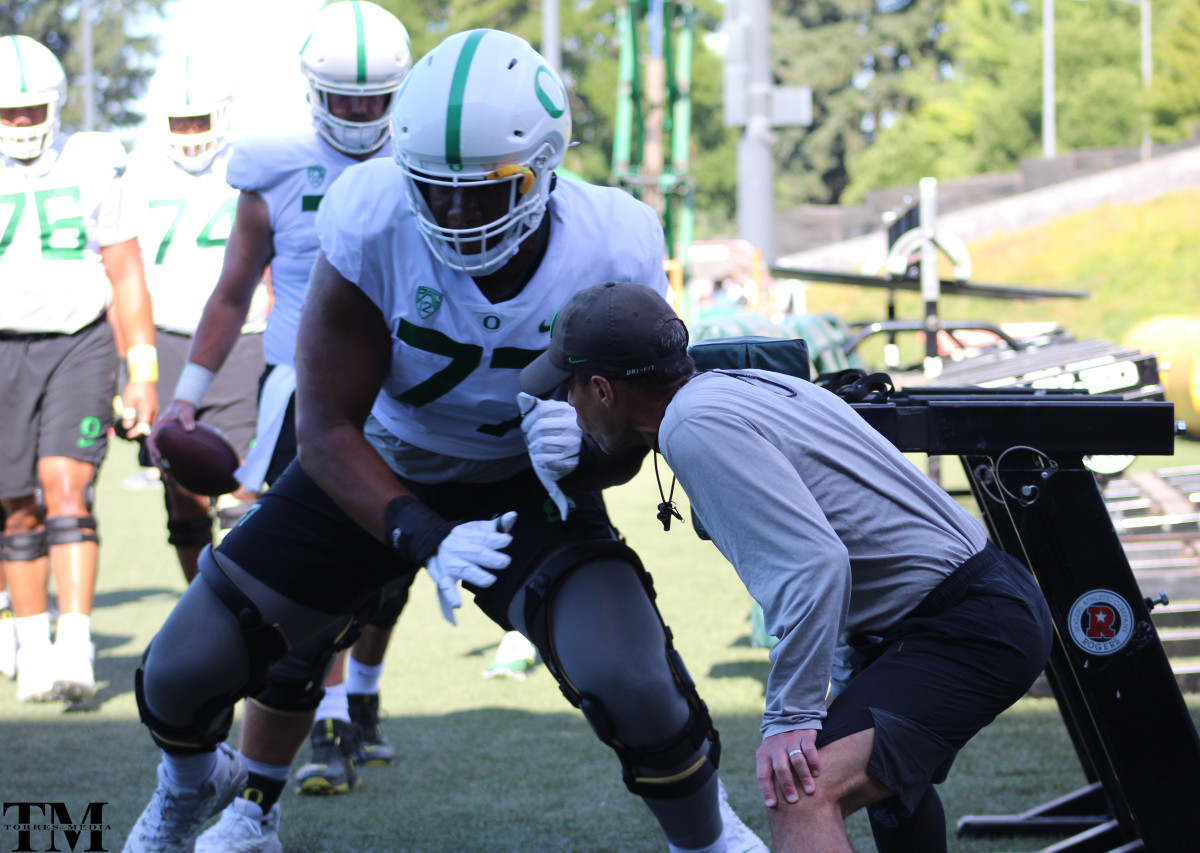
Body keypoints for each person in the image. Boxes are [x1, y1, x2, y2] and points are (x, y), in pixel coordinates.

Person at [125, 28, 766, 853]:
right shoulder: (370, 212)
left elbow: (632, 436)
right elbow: (324, 428)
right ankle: (190, 788)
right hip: (381, 462)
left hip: (522, 481)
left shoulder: (615, 240)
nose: (456, 213)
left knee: (630, 678)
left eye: (485, 190)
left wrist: (589, 449)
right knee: (180, 669)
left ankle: (707, 838)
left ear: (544, 168)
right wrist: (423, 532)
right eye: (434, 188)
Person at [519, 280, 1057, 853]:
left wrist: (790, 717)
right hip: (971, 606)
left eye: (569, 388)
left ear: (602, 389)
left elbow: (815, 564)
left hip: (968, 626)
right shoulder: (737, 386)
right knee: (887, 784)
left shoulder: (692, 426)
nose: (568, 406)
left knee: (798, 790)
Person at [140, 3, 412, 849]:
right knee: (298, 597)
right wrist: (185, 394)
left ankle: (346, 701)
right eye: (348, 101)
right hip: (306, 395)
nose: (364, 117)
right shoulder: (274, 164)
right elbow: (232, 290)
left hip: (413, 398)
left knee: (384, 579)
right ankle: (264, 785)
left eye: (379, 102)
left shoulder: (433, 154)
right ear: (313, 92)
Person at [0, 33, 158, 705]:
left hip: (78, 342)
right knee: (17, 509)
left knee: (65, 486)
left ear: (56, 106)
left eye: (32, 111)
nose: (22, 124)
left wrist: (142, 369)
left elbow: (125, 273)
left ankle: (75, 642)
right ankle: (31, 644)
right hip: (5, 346)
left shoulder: (92, 165)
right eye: (9, 112)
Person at [126, 50, 268, 584]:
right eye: (179, 122)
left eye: (199, 121)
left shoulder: (252, 165)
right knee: (182, 489)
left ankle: (245, 601)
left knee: (242, 483)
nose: (189, 134)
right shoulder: (134, 174)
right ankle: (202, 599)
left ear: (223, 115)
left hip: (244, 339)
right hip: (167, 336)